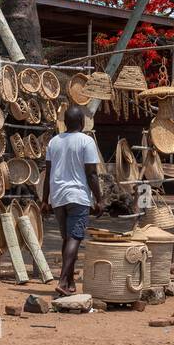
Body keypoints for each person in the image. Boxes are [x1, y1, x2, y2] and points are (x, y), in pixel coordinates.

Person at [43, 104, 104, 297]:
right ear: (82, 122)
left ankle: (69, 282)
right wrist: (100, 199)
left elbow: (48, 173)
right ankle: (62, 280)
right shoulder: (86, 141)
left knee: (67, 239)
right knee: (75, 237)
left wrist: (45, 200)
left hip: (58, 196)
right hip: (78, 196)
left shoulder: (54, 142)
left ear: (65, 123)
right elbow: (92, 174)